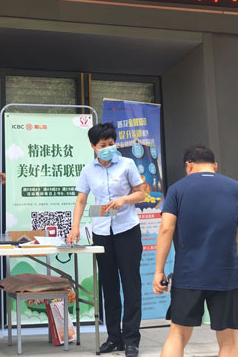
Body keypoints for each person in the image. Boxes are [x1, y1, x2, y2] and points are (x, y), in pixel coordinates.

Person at [153, 145, 238, 357]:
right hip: (226, 275)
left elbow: (166, 229)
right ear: (215, 166)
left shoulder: (177, 189)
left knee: (177, 335)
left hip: (188, 275)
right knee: (229, 343)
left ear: (188, 166)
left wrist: (159, 271)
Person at [66, 123, 146, 357]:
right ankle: (114, 338)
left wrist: (124, 200)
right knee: (109, 286)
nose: (109, 148)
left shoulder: (127, 164)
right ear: (93, 146)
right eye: (103, 145)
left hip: (127, 230)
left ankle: (131, 339)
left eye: (112, 144)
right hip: (101, 232)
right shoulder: (88, 171)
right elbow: (81, 200)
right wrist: (75, 227)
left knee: (131, 285)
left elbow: (141, 193)